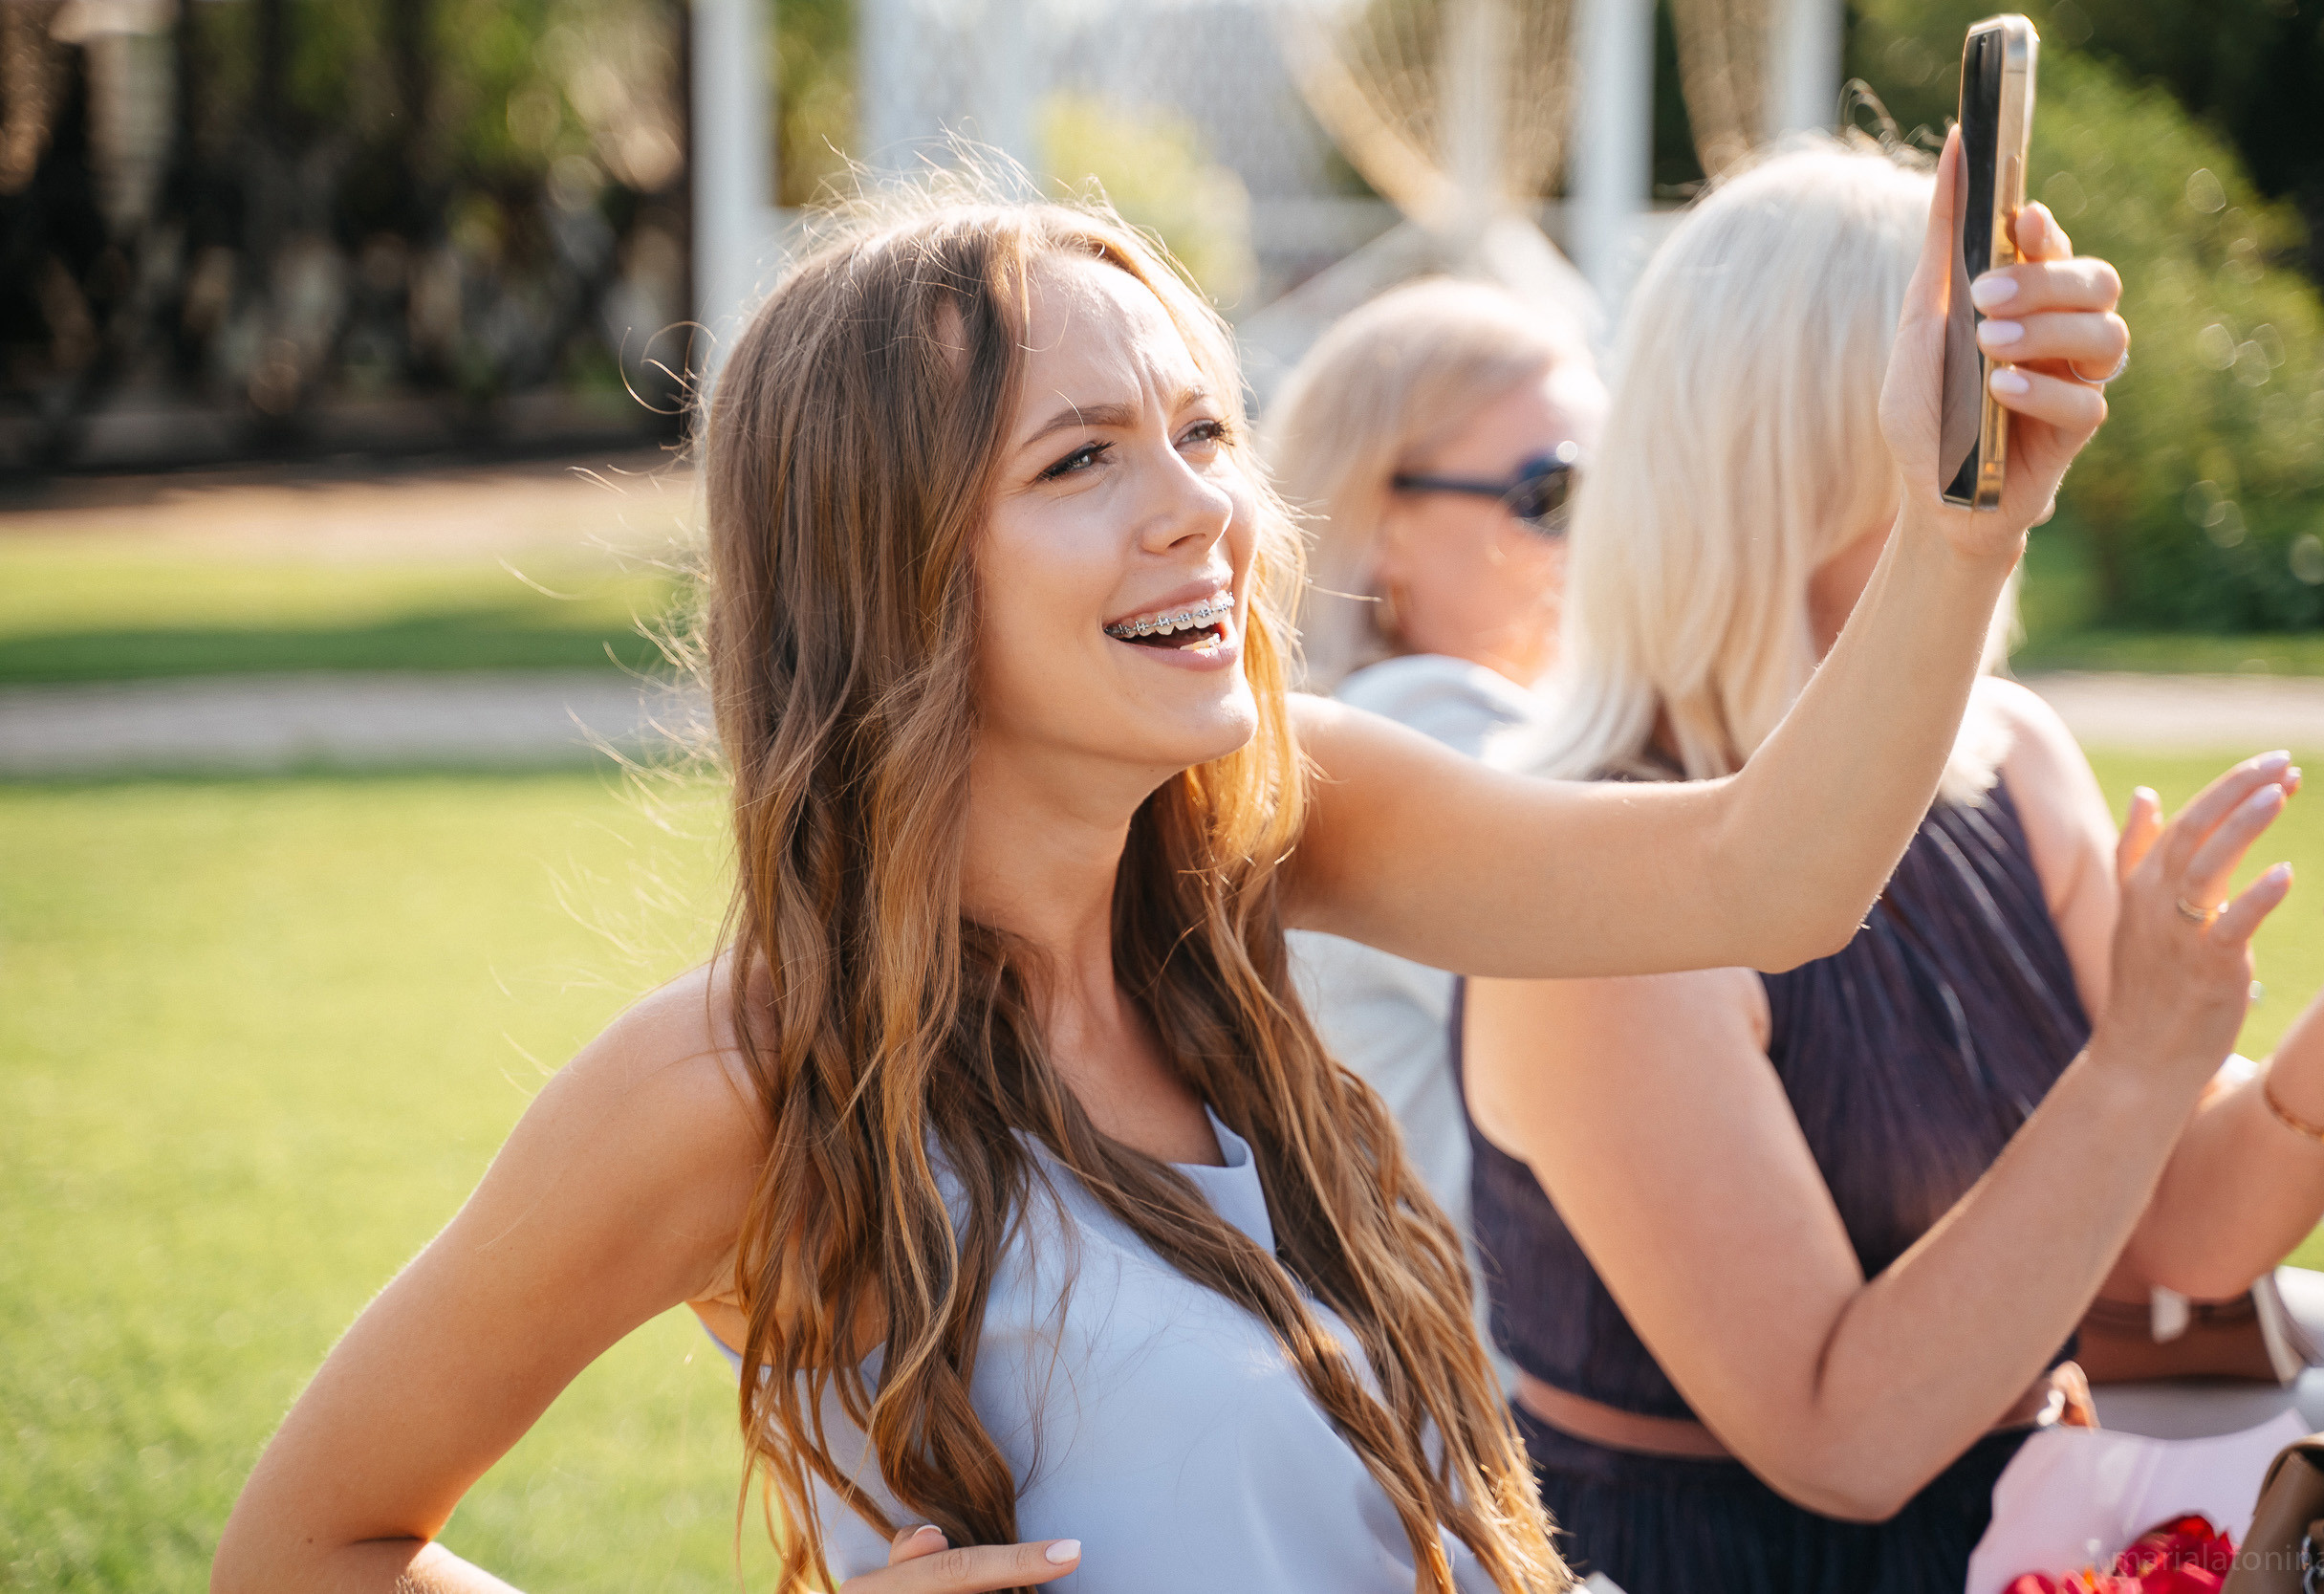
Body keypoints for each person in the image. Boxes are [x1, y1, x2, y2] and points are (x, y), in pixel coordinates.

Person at [214, 142, 2144, 1594]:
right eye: (1082, 461)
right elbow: (305, 1545)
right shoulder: (732, 1081)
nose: (1203, 512)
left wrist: (1960, 517)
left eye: (1203, 431)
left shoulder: (1261, 845)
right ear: (886, 568)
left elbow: (1762, 870)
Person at [1461, 137, 2324, 1594]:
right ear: (1817, 433)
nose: (2034, 430)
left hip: (2048, 1534)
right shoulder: (1595, 886)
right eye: (1976, 375)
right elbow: (1843, 1436)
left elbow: (2185, 1234)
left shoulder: (2004, 758)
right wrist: (2138, 1056)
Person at [1273, 278, 1606, 1235]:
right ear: (1380, 529)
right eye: (1554, 493)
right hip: (1494, 1372)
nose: (1605, 531)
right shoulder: (1419, 721)